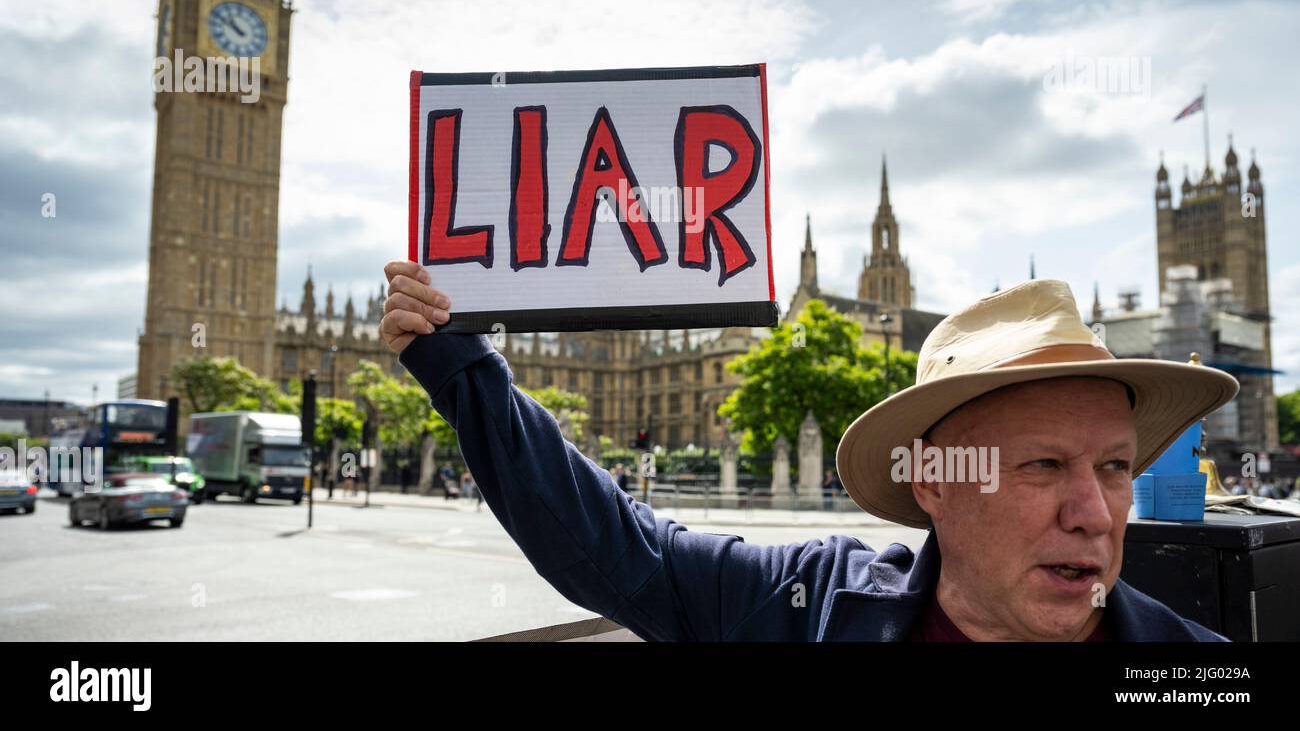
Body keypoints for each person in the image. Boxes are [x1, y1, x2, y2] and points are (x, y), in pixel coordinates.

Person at [381, 262, 1237, 641]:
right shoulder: (807, 609)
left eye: (1116, 467)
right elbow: (606, 543)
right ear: (931, 479)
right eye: (1042, 465)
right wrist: (460, 363)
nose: (1094, 514)